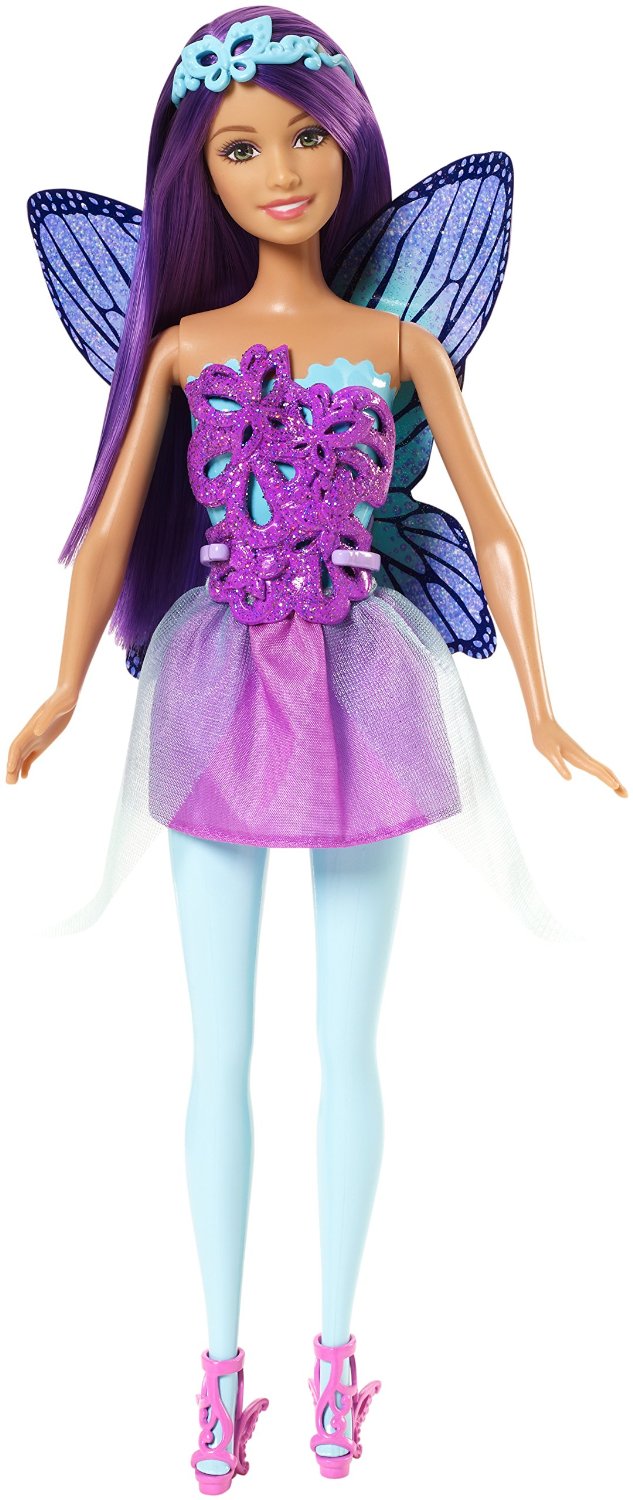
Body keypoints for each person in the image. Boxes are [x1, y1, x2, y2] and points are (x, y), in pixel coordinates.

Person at [5, 9, 627, 1492]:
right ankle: (221, 1377)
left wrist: (541, 704)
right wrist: (61, 690)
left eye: (303, 139)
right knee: (218, 1047)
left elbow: (496, 524)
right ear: (196, 174)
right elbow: (111, 532)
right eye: (239, 148)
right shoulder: (180, 346)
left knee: (348, 1046)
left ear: (348, 149)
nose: (279, 173)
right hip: (220, 685)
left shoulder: (399, 341)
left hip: (367, 683)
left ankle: (333, 1367)